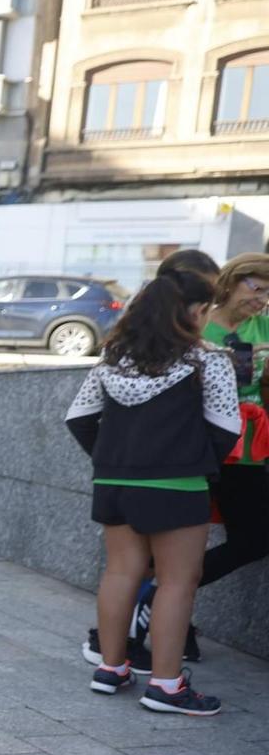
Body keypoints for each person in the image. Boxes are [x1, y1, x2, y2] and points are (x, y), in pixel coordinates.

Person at [67, 264, 237, 716]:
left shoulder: (113, 359)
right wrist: (195, 463)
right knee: (178, 581)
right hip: (177, 485)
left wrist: (114, 461)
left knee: (121, 572)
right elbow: (226, 429)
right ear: (198, 311)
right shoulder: (208, 359)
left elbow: (78, 418)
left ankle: (110, 668)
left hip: (114, 482)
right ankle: (165, 684)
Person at [198, 254, 269, 592]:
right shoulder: (198, 323)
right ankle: (164, 607)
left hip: (251, 450)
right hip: (204, 444)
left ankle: (156, 589)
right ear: (231, 281)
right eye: (257, 288)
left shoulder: (264, 325)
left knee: (255, 540)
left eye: (268, 293)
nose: (261, 299)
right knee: (178, 540)